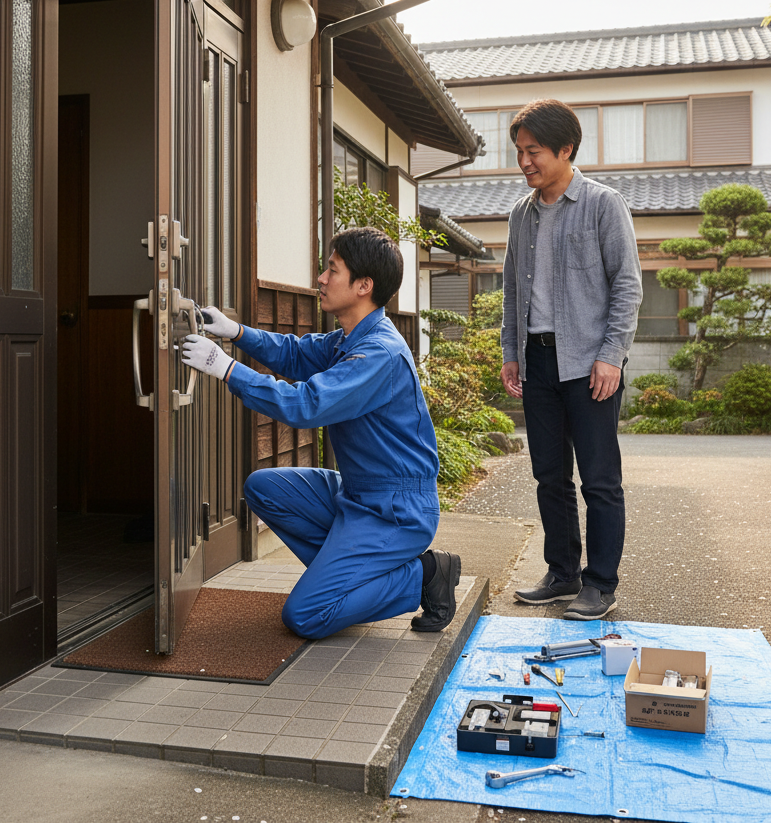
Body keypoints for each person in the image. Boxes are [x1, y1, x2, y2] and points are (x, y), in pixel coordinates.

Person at [179, 226, 460, 641]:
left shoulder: (378, 352)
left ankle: (425, 574)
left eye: (333, 270)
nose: (322, 279)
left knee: (306, 616)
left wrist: (226, 368)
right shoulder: (348, 338)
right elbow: (294, 354)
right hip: (358, 493)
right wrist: (235, 332)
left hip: (397, 510)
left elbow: (306, 405)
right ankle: (349, 587)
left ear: (363, 286)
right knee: (263, 488)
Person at [500, 98, 642, 621]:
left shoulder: (604, 204)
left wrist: (612, 356)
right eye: (520, 151)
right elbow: (512, 290)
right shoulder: (521, 214)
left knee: (599, 480)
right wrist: (510, 352)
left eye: (534, 151)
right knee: (550, 476)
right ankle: (562, 574)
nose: (524, 162)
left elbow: (627, 286)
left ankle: (600, 584)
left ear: (566, 149)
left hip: (589, 364)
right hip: (536, 361)